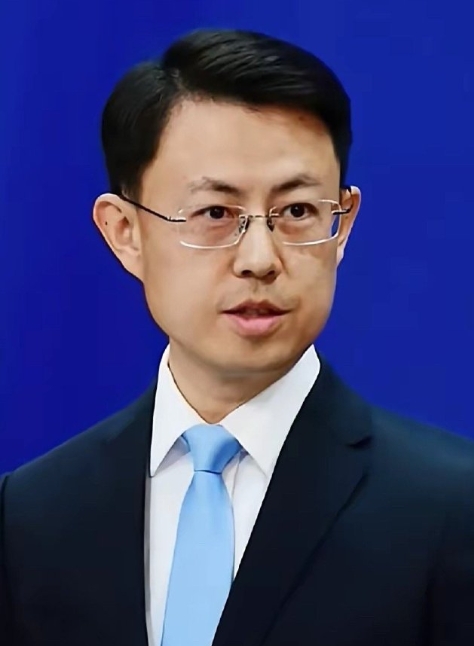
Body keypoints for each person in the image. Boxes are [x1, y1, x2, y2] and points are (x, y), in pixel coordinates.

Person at [1, 27, 474, 646]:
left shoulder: (450, 506)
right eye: (215, 214)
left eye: (297, 212)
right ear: (125, 233)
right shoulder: (31, 514)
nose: (259, 259)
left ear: (342, 224)